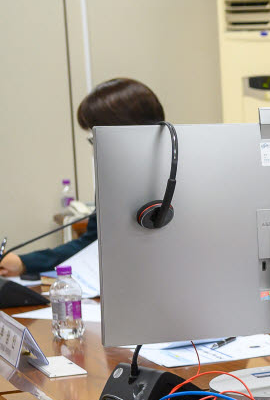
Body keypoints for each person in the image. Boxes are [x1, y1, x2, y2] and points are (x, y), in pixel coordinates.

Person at [0, 78, 164, 277]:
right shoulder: (112, 178)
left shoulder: (186, 175)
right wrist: (24, 263)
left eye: (96, 137)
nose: (95, 147)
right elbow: (93, 241)